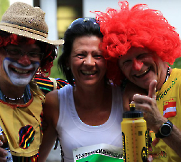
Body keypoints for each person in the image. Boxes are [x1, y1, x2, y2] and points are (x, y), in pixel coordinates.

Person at [95, 1, 181, 161]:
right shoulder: (126, 94)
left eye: (142, 55)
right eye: (126, 62)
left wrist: (161, 124)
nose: (137, 66)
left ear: (160, 50)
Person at [0, 2, 64, 161]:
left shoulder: (44, 90)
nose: (25, 61)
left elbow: (82, 88)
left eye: (33, 53)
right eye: (14, 51)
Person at [38, 18, 124, 162]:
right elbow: (36, 158)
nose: (89, 63)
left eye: (97, 55)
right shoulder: (55, 103)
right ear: (67, 61)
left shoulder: (126, 97)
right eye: (81, 55)